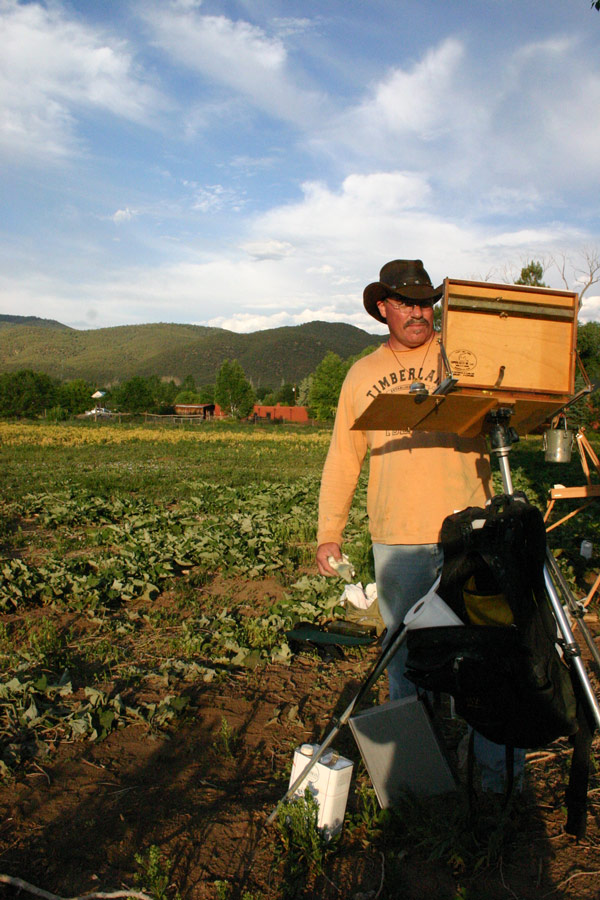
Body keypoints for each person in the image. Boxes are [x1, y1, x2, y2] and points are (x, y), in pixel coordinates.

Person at [315, 258, 524, 793]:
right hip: (398, 541)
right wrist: (328, 532)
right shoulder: (361, 375)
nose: (417, 311)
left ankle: (497, 781)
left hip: (469, 533)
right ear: (382, 307)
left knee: (486, 652)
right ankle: (418, 783)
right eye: (405, 302)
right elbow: (344, 457)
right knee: (405, 662)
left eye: (425, 301)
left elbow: (516, 399)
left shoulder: (466, 358)